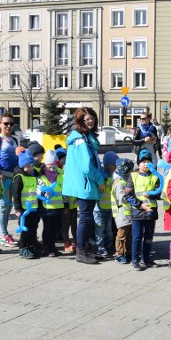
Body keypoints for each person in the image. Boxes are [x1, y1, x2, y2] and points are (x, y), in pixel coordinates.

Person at [62, 108, 106, 265]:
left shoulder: (86, 137)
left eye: (92, 118)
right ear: (80, 121)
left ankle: (86, 249)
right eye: (87, 119)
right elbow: (86, 166)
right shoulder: (80, 139)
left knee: (87, 218)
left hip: (86, 183)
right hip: (85, 184)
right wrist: (100, 180)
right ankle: (81, 251)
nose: (91, 121)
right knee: (86, 218)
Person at [130, 150, 160, 271]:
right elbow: (128, 195)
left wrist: (151, 195)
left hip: (150, 213)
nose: (146, 164)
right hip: (138, 213)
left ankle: (146, 258)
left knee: (148, 237)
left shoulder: (155, 177)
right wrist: (140, 205)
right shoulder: (133, 176)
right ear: (139, 163)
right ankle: (135, 260)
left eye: (148, 162)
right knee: (137, 237)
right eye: (143, 162)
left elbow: (158, 192)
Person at [0, 112, 19, 248]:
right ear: (0, 124)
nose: (8, 126)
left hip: (13, 176)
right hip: (2, 176)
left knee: (9, 206)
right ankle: (1, 235)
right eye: (5, 123)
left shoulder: (14, 140)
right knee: (3, 206)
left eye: (11, 123)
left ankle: (4, 233)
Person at [11, 150, 40, 260]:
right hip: (24, 209)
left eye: (32, 165)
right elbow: (16, 194)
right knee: (25, 229)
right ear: (22, 166)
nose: (31, 168)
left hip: (34, 208)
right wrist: (17, 209)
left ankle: (32, 245)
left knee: (33, 228)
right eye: (28, 166)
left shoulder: (34, 174)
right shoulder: (19, 177)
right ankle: (23, 248)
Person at [37, 150, 64, 257]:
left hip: (58, 206)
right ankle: (47, 248)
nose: (52, 169)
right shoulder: (42, 176)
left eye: (54, 166)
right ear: (45, 165)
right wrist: (46, 193)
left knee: (55, 228)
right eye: (50, 167)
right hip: (46, 208)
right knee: (48, 228)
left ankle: (53, 247)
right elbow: (39, 191)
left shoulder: (61, 173)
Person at [94, 151, 118, 259]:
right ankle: (100, 247)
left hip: (110, 208)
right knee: (100, 229)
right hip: (99, 209)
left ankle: (109, 245)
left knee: (108, 230)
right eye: (114, 165)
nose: (115, 167)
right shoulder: (101, 176)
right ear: (108, 165)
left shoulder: (114, 176)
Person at [112, 158, 135, 264]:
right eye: (131, 170)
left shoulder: (127, 181)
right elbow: (122, 198)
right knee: (122, 234)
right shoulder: (119, 183)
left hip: (129, 212)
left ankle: (127, 252)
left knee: (129, 234)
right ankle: (119, 253)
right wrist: (132, 194)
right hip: (121, 212)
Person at [57, 149, 78, 254]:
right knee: (66, 225)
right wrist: (65, 205)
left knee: (74, 224)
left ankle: (77, 242)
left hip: (74, 204)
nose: (65, 160)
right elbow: (63, 190)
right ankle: (66, 243)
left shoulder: (70, 170)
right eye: (62, 158)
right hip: (66, 204)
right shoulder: (59, 173)